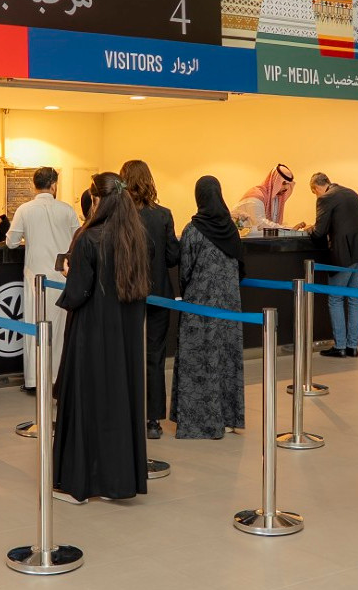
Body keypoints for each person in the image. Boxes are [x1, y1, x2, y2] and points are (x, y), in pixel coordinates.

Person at [53, 172, 150, 503]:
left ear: (96, 200)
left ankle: (80, 485)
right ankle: (116, 481)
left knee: (86, 400)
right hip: (126, 333)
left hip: (92, 330)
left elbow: (78, 292)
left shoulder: (89, 238)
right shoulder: (136, 236)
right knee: (119, 400)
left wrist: (69, 273)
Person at [171, 176, 245, 439]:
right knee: (226, 358)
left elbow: (185, 270)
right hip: (229, 306)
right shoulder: (231, 229)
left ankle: (201, 422)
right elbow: (241, 267)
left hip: (200, 305)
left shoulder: (193, 229)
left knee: (199, 359)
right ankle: (228, 418)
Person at [6, 167, 80, 393]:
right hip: (62, 278)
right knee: (60, 330)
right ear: (54, 185)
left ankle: (34, 379)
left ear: (33, 185)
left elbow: (11, 242)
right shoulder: (67, 210)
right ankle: (59, 378)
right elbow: (78, 240)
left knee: (35, 327)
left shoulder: (25, 209)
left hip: (35, 279)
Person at [120, 159, 179, 440]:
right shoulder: (163, 215)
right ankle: (153, 420)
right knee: (154, 357)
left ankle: (126, 412)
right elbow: (172, 257)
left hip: (126, 294)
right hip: (159, 295)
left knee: (125, 355)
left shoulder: (120, 215)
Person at [295, 172, 358, 358]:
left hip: (345, 255)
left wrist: (309, 230)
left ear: (316, 188)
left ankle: (340, 346)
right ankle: (353, 346)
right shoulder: (351, 192)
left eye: (314, 193)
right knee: (355, 298)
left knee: (336, 297)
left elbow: (319, 232)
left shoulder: (325, 198)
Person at [232, 164, 296, 235]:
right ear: (275, 181)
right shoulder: (256, 196)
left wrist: (294, 230)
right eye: (284, 183)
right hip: (240, 238)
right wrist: (288, 230)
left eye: (289, 184)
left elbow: (272, 224)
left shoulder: (276, 198)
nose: (286, 187)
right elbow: (260, 223)